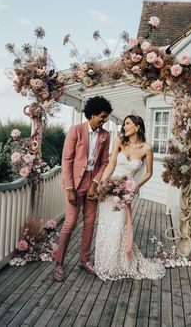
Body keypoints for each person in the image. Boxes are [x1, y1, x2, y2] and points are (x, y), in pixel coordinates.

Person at [95, 115, 165, 281]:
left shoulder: (147, 148)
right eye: (124, 124)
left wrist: (136, 186)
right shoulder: (119, 141)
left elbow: (149, 172)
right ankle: (106, 264)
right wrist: (102, 183)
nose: (124, 126)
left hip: (126, 190)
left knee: (119, 225)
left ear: (137, 126)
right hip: (110, 187)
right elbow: (111, 164)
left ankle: (119, 264)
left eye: (127, 123)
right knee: (106, 225)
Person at [53, 96, 113, 282]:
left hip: (92, 184)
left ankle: (84, 260)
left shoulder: (105, 135)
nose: (105, 120)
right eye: (103, 116)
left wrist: (95, 183)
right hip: (75, 183)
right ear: (92, 114)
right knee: (70, 224)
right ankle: (59, 264)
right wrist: (69, 188)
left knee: (89, 224)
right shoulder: (76, 131)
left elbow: (104, 162)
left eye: (107, 117)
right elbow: (67, 160)